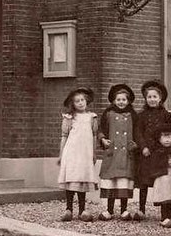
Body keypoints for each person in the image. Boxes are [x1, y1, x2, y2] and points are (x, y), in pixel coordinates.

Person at [97, 83, 138, 220]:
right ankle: (109, 210)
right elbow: (101, 130)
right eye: (118, 100)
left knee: (123, 181)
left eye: (124, 100)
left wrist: (135, 143)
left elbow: (138, 131)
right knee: (111, 180)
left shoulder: (132, 115)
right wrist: (103, 140)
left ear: (128, 101)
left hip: (126, 154)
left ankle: (124, 210)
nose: (121, 102)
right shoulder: (108, 114)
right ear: (114, 100)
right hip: (112, 154)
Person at [57, 87, 99, 221]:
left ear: (86, 101)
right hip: (72, 153)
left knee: (82, 181)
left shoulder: (91, 117)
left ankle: (82, 210)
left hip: (85, 154)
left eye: (82, 100)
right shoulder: (69, 118)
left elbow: (94, 136)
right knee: (71, 179)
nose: (80, 103)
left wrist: (93, 152)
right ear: (72, 104)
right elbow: (64, 136)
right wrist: (61, 154)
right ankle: (68, 209)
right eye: (77, 101)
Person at [134, 79, 171, 219]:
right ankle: (141, 209)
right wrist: (143, 146)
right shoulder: (141, 115)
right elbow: (138, 132)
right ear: (145, 98)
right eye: (149, 97)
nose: (152, 99)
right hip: (146, 154)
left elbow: (170, 132)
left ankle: (164, 212)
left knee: (161, 181)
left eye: (155, 97)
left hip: (161, 153)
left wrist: (164, 147)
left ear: (160, 98)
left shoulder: (166, 115)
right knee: (144, 182)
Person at [145, 124, 171, 227]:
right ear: (159, 139)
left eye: (169, 137)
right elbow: (154, 163)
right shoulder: (158, 151)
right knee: (165, 197)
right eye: (164, 137)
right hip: (163, 177)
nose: (167, 140)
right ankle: (164, 216)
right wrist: (165, 163)